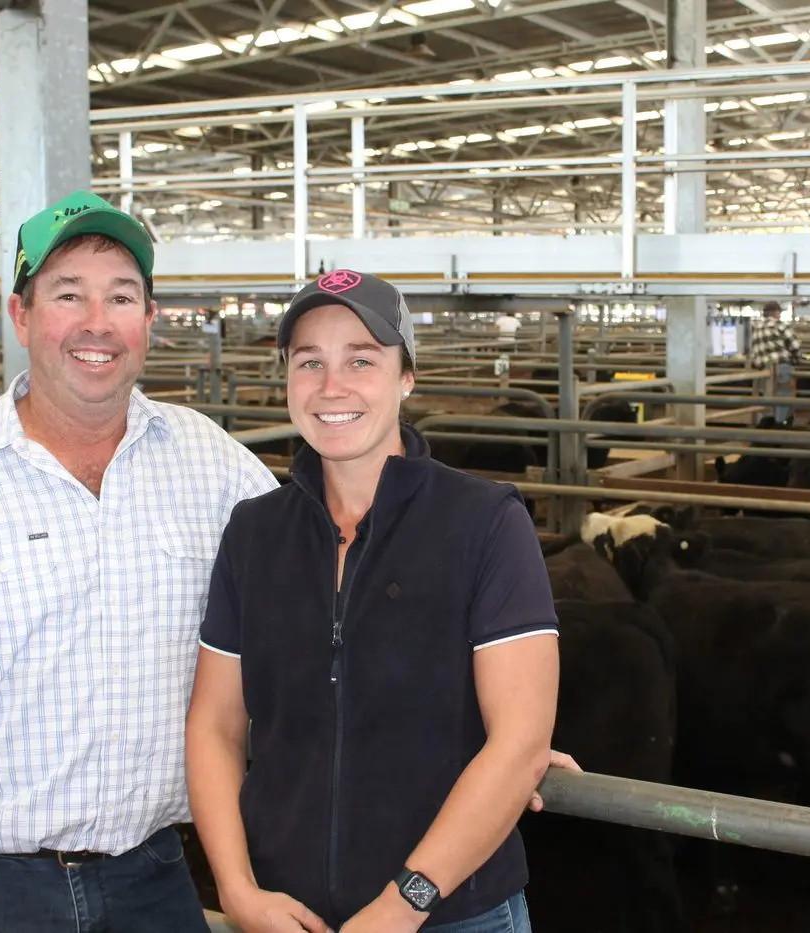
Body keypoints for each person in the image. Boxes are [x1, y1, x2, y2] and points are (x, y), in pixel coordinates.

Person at [0, 190, 279, 933]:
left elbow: (328, 594)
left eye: (121, 296)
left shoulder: (213, 462)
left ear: (149, 319)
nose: (97, 323)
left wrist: (492, 729)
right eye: (68, 295)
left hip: (155, 874)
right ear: (21, 315)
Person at [186, 270, 563, 933]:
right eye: (310, 362)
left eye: (361, 359)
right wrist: (238, 890)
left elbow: (519, 741)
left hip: (452, 913)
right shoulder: (254, 533)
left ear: (404, 376)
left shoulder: (485, 522)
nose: (333, 386)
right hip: (286, 911)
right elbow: (215, 724)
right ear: (288, 379)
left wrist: (402, 903)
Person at [747, 300, 801, 424]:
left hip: (763, 370)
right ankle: (780, 424)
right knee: (783, 396)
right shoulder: (780, 325)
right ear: (776, 313)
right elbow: (795, 346)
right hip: (781, 366)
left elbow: (753, 351)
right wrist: (796, 360)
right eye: (779, 312)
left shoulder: (756, 328)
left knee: (766, 396)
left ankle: (765, 425)